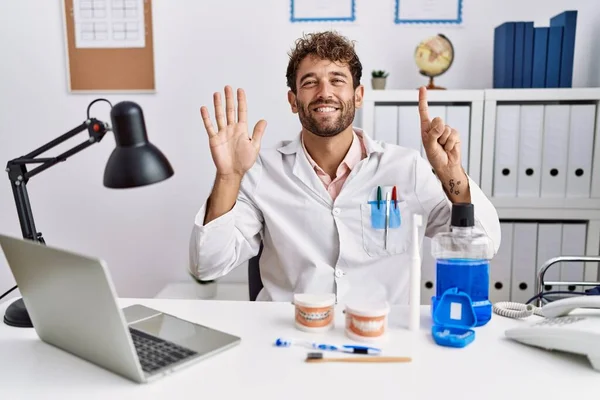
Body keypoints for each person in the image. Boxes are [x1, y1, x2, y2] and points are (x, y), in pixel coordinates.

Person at [188, 30, 501, 304]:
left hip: (381, 338)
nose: (325, 92)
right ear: (293, 100)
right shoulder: (262, 171)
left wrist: (451, 174)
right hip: (287, 338)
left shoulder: (406, 169)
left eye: (337, 80)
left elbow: (485, 244)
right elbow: (207, 265)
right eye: (310, 83)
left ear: (359, 95)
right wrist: (228, 176)